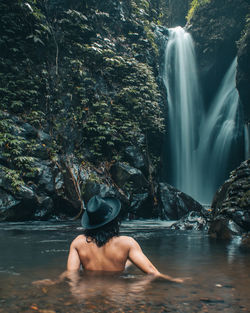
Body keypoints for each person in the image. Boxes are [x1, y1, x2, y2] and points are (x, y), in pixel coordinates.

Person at [66, 195, 186, 283]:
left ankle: (126, 263)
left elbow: (71, 274)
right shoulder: (127, 243)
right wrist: (174, 280)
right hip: (118, 294)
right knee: (126, 262)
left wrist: (55, 282)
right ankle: (125, 263)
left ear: (90, 222)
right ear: (113, 220)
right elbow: (152, 272)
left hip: (89, 292)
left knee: (127, 263)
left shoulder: (78, 242)